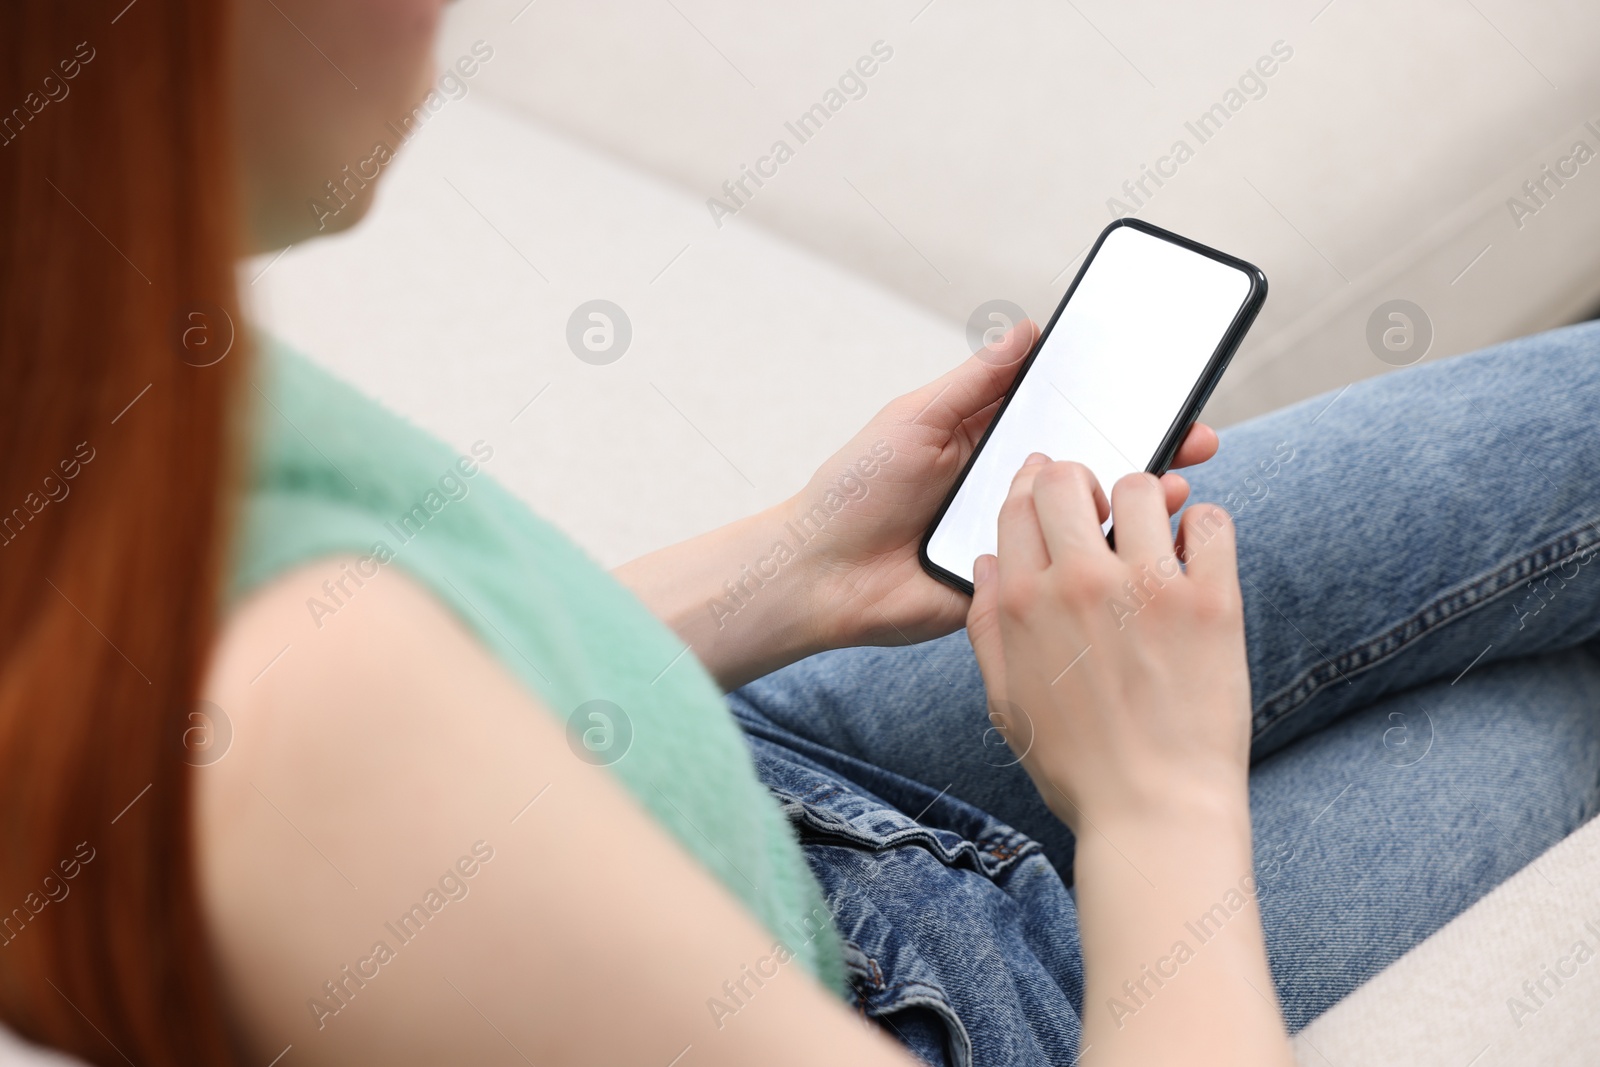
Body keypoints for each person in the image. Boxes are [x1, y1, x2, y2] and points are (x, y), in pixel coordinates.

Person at [3, 1, 1598, 1065]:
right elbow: (332, 746)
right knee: (1568, 696)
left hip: (724, 771)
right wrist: (1152, 804)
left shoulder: (70, 317)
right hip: (924, 1005)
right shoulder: (307, 752)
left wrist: (794, 567)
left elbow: (387, 663)